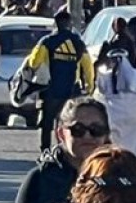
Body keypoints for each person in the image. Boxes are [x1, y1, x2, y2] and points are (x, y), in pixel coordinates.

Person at [9, 98, 114, 203]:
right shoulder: (40, 178)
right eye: (78, 130)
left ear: (106, 135)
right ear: (61, 134)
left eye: (96, 129)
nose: (87, 136)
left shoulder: (122, 179)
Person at [20, 11, 95, 154]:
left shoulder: (47, 41)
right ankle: (66, 150)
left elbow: (34, 62)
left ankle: (45, 150)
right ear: (69, 24)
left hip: (51, 89)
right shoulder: (78, 42)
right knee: (69, 122)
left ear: (55, 24)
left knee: (47, 122)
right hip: (72, 90)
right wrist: (90, 85)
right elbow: (88, 66)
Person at [93, 22, 136, 163]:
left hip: (113, 98)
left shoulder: (110, 44)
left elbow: (99, 66)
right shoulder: (134, 45)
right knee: (134, 132)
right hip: (131, 98)